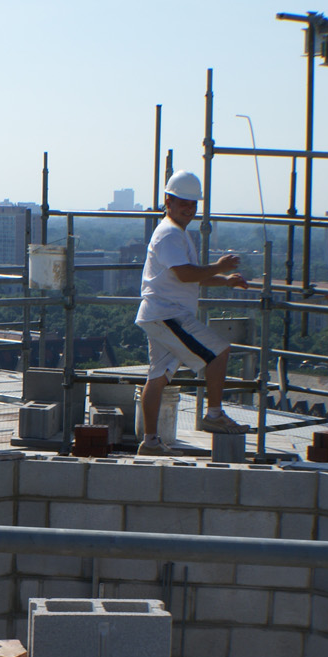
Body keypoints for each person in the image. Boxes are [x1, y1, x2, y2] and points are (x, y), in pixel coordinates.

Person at [135, 170, 250, 457]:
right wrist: (219, 268)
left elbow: (192, 275)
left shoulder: (177, 233)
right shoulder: (169, 235)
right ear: (168, 202)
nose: (189, 208)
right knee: (219, 352)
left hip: (160, 314)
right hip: (168, 314)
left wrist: (224, 280)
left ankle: (150, 442)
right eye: (183, 202)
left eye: (192, 203)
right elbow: (186, 274)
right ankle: (213, 415)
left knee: (158, 375)